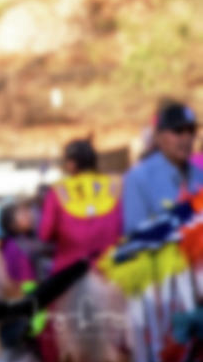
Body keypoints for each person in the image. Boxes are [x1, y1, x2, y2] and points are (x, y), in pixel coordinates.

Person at [40, 139, 122, 273]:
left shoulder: (58, 191)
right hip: (111, 271)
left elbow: (45, 234)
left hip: (69, 274)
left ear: (71, 164)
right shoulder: (117, 185)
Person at [122, 102, 203, 234]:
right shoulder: (138, 179)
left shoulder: (200, 175)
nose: (187, 138)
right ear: (158, 136)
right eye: (178, 131)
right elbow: (135, 235)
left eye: (191, 131)